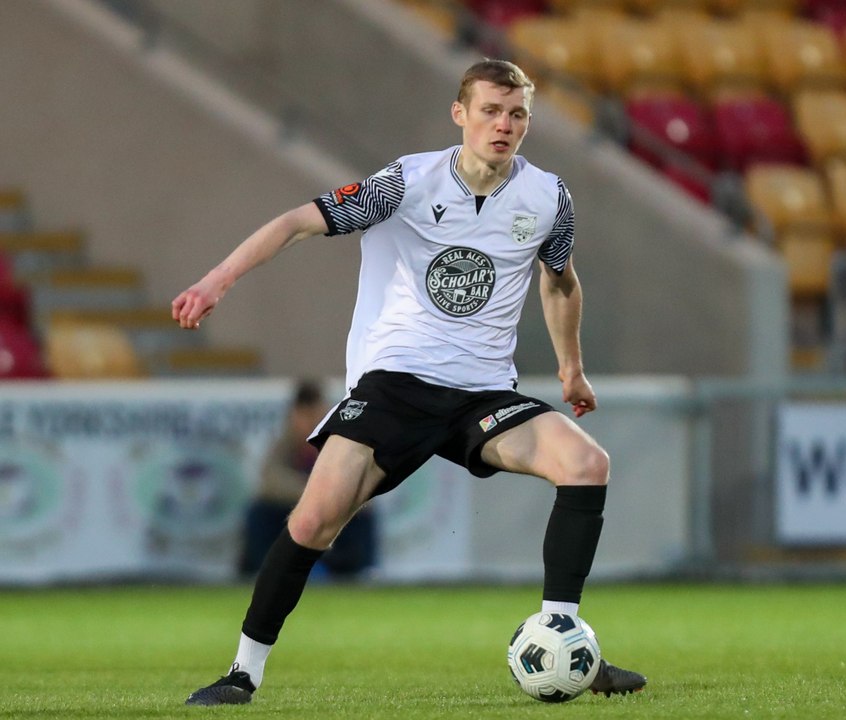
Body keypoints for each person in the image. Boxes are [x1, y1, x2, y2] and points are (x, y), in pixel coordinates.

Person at [173, 59, 647, 706]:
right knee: (312, 521)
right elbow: (295, 223)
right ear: (460, 114)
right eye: (489, 111)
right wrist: (214, 281)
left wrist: (572, 368)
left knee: (587, 463)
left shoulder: (548, 198)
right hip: (396, 383)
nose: (503, 126)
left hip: (482, 393)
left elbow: (559, 279)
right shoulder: (407, 182)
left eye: (515, 115)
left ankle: (561, 632)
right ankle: (242, 673)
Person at [239, 380, 377, 579]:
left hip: (332, 517)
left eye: (316, 413)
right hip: (292, 512)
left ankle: (362, 572)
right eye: (305, 415)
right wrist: (314, 491)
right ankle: (262, 571)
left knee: (363, 514)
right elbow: (270, 480)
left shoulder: (338, 441)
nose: (311, 421)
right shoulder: (285, 444)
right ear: (294, 416)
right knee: (259, 512)